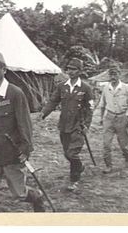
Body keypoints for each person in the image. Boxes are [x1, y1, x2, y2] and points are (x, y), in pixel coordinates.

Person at [0, 50, 45, 212]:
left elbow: (25, 124)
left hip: (11, 152)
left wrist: (25, 150)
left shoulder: (15, 93)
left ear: (4, 70)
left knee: (19, 193)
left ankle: (37, 198)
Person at [41, 58, 93, 191]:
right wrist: (43, 114)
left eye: (74, 69)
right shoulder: (62, 86)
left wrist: (86, 124)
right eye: (69, 68)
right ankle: (79, 167)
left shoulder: (86, 88)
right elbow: (53, 102)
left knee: (72, 153)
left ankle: (74, 180)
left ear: (80, 71)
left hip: (78, 125)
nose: (70, 71)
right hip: (64, 125)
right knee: (66, 153)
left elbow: (89, 108)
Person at [99, 65, 128, 174]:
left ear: (120, 75)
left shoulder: (126, 88)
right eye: (111, 74)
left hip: (122, 118)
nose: (113, 76)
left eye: (115, 74)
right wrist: (102, 118)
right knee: (106, 144)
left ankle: (127, 158)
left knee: (124, 145)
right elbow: (102, 104)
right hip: (109, 118)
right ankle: (108, 166)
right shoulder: (106, 88)